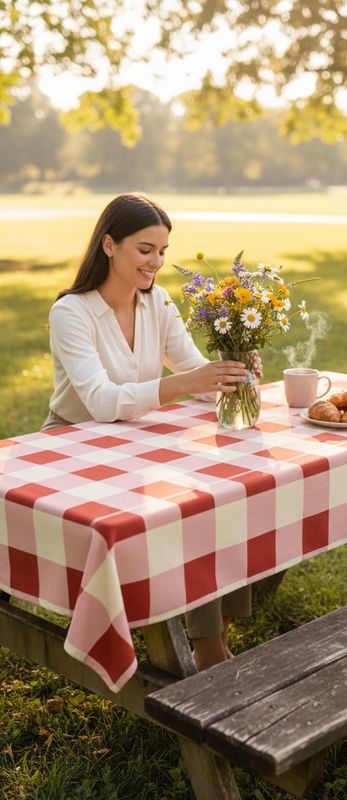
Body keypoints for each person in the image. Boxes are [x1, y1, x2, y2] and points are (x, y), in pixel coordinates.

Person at [43, 191, 262, 671]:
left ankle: (214, 636)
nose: (157, 263)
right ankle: (208, 648)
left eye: (162, 251)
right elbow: (101, 402)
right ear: (109, 245)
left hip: (133, 439)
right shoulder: (71, 312)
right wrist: (185, 383)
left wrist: (231, 374)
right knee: (187, 509)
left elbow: (193, 373)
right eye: (145, 250)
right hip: (74, 445)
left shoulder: (158, 302)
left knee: (224, 490)